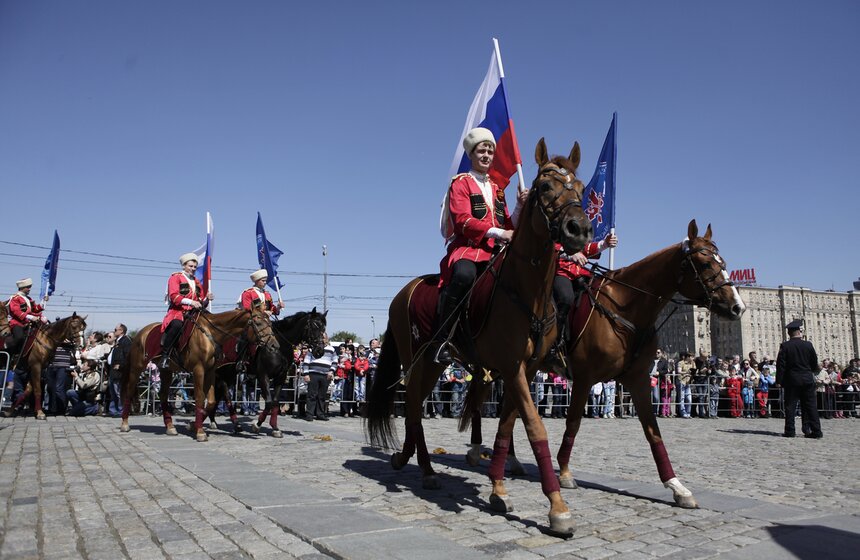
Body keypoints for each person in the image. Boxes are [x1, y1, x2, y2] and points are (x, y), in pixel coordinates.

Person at [433, 127, 527, 364]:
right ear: (471, 155)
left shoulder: (497, 189)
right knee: (464, 275)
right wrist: (499, 232)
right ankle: (442, 339)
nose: (486, 155)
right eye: (481, 151)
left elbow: (508, 223)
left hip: (495, 252)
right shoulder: (461, 183)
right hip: (468, 249)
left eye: (489, 152)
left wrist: (519, 207)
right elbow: (463, 220)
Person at [546, 233, 618, 371]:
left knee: (599, 294)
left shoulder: (578, 231)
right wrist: (569, 254)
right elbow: (551, 246)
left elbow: (587, 248)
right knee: (566, 298)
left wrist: (605, 243)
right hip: (561, 273)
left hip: (581, 274)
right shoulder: (557, 228)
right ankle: (555, 344)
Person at [160, 253, 212, 369]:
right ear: (184, 266)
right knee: (177, 325)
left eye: (194, 267)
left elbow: (200, 302)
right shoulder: (175, 277)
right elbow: (174, 296)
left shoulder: (197, 281)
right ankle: (165, 356)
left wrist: (207, 299)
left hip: (194, 313)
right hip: (178, 312)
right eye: (190, 266)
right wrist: (191, 302)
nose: (193, 269)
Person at [776, 319, 822, 438]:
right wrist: (809, 371)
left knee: (790, 406)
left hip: (792, 380)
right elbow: (814, 362)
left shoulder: (785, 346)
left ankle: (790, 431)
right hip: (807, 379)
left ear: (789, 333)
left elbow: (781, 365)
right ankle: (816, 431)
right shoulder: (808, 345)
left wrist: (779, 381)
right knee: (811, 406)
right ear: (799, 332)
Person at [6, 278, 47, 358]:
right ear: (22, 288)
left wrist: (43, 302)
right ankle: (13, 355)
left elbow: (35, 309)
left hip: (30, 323)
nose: (29, 289)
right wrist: (31, 317)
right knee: (19, 337)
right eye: (28, 287)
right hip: (17, 323)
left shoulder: (29, 299)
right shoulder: (15, 298)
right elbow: (16, 311)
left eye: (30, 287)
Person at [301, 333, 336, 421]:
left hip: (325, 375)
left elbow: (335, 361)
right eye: (320, 337)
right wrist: (306, 374)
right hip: (313, 374)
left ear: (327, 339)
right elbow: (306, 361)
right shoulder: (312, 348)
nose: (322, 339)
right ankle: (309, 414)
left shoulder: (331, 349)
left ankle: (320, 414)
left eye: (323, 338)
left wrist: (331, 371)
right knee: (311, 395)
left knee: (322, 396)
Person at [106, 324, 131, 417]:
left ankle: (121, 411)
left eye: (116, 330)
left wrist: (121, 366)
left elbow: (128, 356)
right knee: (113, 392)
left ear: (121, 331)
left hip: (119, 372)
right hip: (113, 371)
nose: (114, 331)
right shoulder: (117, 342)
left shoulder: (126, 341)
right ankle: (113, 410)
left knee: (119, 392)